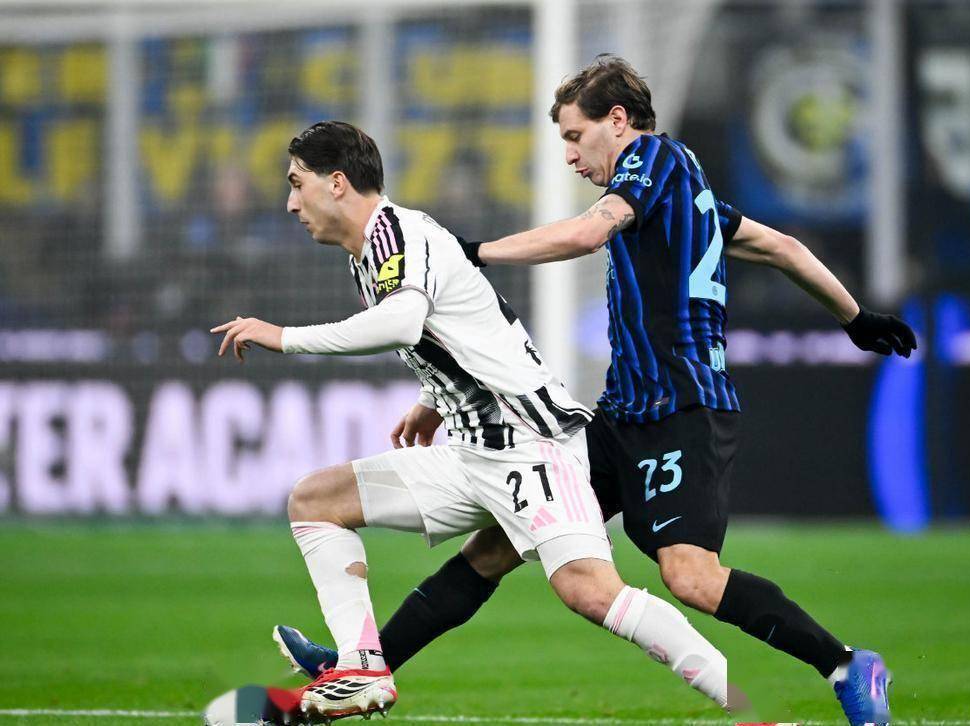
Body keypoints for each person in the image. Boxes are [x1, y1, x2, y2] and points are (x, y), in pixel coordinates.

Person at [274, 57, 914, 726]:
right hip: (620, 416)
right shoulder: (684, 194)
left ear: (618, 120)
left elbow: (588, 233)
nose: (571, 156)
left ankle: (846, 663)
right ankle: (363, 666)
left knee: (690, 575)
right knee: (493, 549)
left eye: (576, 137)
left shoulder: (655, 161)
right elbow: (779, 246)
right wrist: (854, 317)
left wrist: (475, 251)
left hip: (681, 409)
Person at [211, 120, 739, 720]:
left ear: (336, 183)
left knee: (590, 591)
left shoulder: (395, 234)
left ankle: (748, 705)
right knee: (315, 500)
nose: (290, 203)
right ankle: (360, 669)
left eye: (296, 183)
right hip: (473, 449)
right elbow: (469, 323)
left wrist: (282, 336)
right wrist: (433, 398)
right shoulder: (375, 250)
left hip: (530, 446)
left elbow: (402, 323)